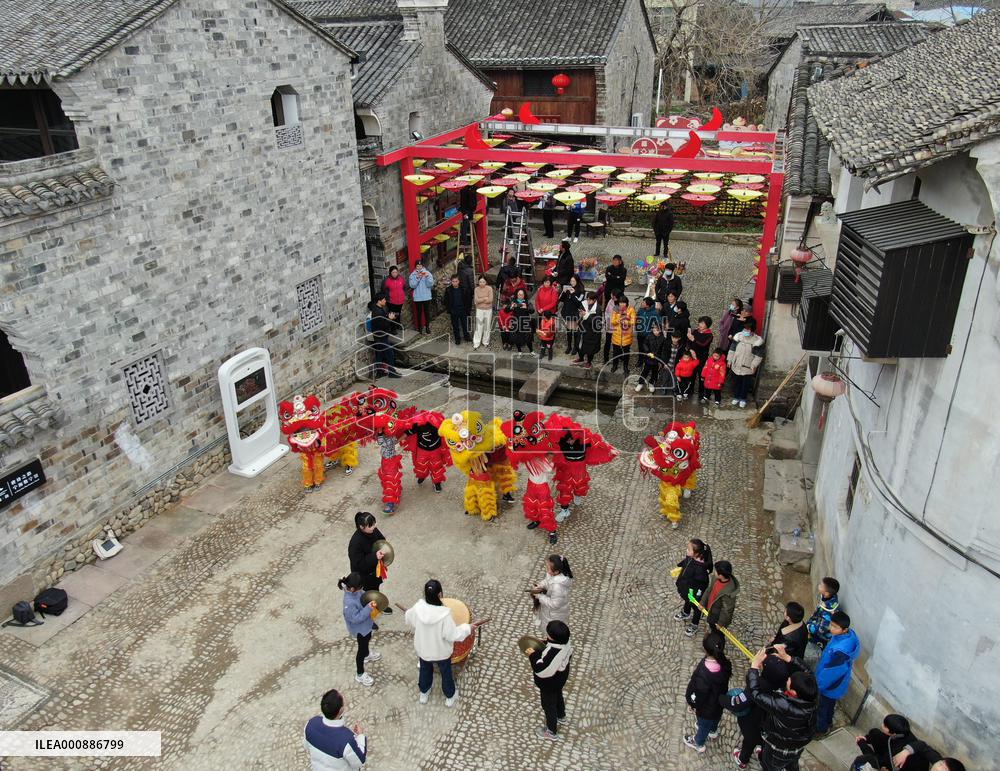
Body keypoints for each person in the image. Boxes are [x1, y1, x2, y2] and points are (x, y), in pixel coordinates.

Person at [405, 579, 480, 707]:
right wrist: (467, 628)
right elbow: (453, 635)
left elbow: (409, 619)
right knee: (446, 674)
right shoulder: (444, 616)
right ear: (440, 595)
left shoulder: (417, 608)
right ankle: (449, 696)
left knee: (424, 670)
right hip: (441, 653)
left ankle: (424, 692)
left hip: (424, 650)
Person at [746, 647, 819, 771]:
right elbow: (808, 673)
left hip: (778, 749)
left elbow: (755, 694)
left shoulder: (784, 705)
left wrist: (754, 667)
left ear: (793, 692)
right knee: (792, 763)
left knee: (770, 766)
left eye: (790, 680)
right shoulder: (813, 695)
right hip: (798, 745)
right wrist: (787, 657)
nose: (788, 679)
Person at [683, 631, 732, 753]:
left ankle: (698, 743)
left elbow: (698, 693)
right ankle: (713, 731)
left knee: (703, 726)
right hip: (718, 704)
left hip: (706, 709)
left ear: (705, 649)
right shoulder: (725, 664)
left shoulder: (703, 674)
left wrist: (692, 704)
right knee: (715, 719)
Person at [813, 610, 861, 735]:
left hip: (830, 684)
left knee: (823, 707)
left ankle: (821, 729)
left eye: (835, 627)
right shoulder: (849, 637)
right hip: (837, 683)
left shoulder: (840, 652)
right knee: (829, 704)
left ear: (844, 629)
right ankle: (828, 721)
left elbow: (831, 673)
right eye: (831, 624)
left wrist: (819, 685)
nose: (831, 628)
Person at [525, 619, 573, 741]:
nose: (546, 636)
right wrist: (544, 642)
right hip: (559, 679)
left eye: (548, 635)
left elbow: (541, 670)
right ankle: (561, 715)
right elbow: (550, 645)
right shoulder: (565, 643)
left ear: (553, 638)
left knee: (548, 705)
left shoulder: (554, 652)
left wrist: (532, 655)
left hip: (549, 683)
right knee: (558, 696)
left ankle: (551, 731)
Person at [303, 688, 367, 770]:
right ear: (341, 709)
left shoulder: (310, 724)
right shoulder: (346, 739)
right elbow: (359, 762)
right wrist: (360, 736)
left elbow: (306, 746)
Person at [338, 572, 379, 687]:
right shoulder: (349, 603)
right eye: (360, 588)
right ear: (352, 589)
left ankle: (367, 654)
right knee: (361, 650)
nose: (361, 589)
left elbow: (363, 594)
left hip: (366, 625)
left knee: (368, 638)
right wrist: (368, 608)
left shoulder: (356, 590)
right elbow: (355, 618)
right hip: (360, 629)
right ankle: (360, 673)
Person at [347, 511, 391, 606]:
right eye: (371, 526)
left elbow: (381, 540)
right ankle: (368, 610)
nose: (374, 527)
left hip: (375, 570)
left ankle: (378, 604)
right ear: (362, 527)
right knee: (367, 593)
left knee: (375, 588)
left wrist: (383, 547)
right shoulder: (355, 543)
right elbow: (358, 563)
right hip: (364, 576)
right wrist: (374, 557)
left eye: (374, 524)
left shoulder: (373, 530)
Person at [852, 714, 923, 771]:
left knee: (865, 760)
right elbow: (883, 737)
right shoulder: (904, 732)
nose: (882, 725)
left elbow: (875, 760)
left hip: (904, 766)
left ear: (894, 734)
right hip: (893, 756)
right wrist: (865, 739)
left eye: (885, 726)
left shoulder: (895, 752)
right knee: (874, 733)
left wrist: (861, 743)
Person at [674, 538, 713, 636]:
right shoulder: (690, 558)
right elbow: (686, 563)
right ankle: (686, 612)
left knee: (696, 608)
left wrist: (698, 596)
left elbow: (703, 584)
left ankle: (694, 624)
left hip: (695, 592)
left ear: (696, 554)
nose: (687, 550)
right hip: (688, 587)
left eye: (689, 549)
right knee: (687, 600)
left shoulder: (701, 570)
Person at [530, 554, 573, 632]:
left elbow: (554, 604)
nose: (547, 570)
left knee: (551, 632)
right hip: (550, 613)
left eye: (548, 568)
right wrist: (540, 586)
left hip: (554, 616)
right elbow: (548, 582)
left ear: (556, 571)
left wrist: (540, 596)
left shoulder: (558, 587)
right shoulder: (553, 575)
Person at [727, 317, 763, 408]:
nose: (746, 330)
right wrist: (729, 360)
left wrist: (754, 365)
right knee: (736, 382)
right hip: (736, 364)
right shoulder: (738, 337)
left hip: (747, 366)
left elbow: (758, 356)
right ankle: (736, 396)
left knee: (745, 384)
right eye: (745, 328)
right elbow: (732, 349)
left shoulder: (757, 341)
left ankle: (743, 398)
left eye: (748, 329)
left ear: (752, 330)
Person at [700, 560, 739, 634]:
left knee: (718, 634)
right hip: (711, 610)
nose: (714, 572)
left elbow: (727, 610)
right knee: (711, 624)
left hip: (716, 616)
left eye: (716, 571)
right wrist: (702, 602)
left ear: (721, 575)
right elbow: (709, 590)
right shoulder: (715, 578)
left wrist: (721, 623)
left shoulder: (729, 591)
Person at [805, 577, 841, 658]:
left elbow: (822, 629)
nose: (819, 585)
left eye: (821, 585)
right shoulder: (830, 598)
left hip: (822, 637)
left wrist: (809, 627)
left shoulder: (828, 613)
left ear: (827, 593)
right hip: (817, 622)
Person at [369, 293, 400, 379]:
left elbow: (383, 319)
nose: (385, 301)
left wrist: (389, 317)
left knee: (379, 354)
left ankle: (379, 372)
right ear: (379, 301)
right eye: (384, 299)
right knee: (390, 354)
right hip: (381, 337)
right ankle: (392, 373)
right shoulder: (377, 312)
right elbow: (383, 325)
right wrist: (389, 319)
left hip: (378, 336)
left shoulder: (377, 308)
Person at [636, 321, 666, 394]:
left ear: (661, 331)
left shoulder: (663, 339)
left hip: (656, 359)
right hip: (648, 358)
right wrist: (647, 352)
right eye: (654, 329)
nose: (655, 331)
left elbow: (663, 350)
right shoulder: (649, 336)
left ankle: (651, 383)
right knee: (645, 371)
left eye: (657, 330)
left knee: (654, 373)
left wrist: (660, 360)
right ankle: (640, 383)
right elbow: (644, 344)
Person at [574, 292, 602, 369]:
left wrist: (586, 315)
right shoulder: (584, 304)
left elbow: (596, 322)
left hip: (591, 331)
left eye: (590, 300)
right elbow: (578, 312)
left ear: (594, 300)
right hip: (582, 328)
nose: (588, 301)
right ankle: (581, 358)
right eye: (587, 299)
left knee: (590, 347)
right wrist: (579, 315)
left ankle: (589, 361)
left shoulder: (598, 309)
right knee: (579, 344)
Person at [558, 276, 585, 355]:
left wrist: (573, 294)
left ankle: (575, 347)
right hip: (567, 312)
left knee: (575, 331)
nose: (572, 283)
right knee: (569, 331)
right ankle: (569, 346)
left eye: (573, 281)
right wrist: (563, 291)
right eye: (571, 281)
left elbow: (579, 302)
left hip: (575, 313)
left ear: (577, 281)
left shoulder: (581, 290)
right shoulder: (568, 289)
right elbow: (561, 299)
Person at [610, 297, 636, 376]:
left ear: (627, 303)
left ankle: (625, 367)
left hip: (627, 336)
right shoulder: (616, 310)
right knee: (615, 352)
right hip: (616, 335)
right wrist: (618, 319)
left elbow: (633, 321)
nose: (622, 304)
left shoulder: (631, 309)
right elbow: (612, 321)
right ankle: (615, 365)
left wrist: (624, 321)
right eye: (620, 302)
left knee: (626, 353)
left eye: (623, 302)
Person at [443, 275, 471, 345]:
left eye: (456, 281)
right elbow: (446, 301)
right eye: (453, 281)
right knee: (455, 326)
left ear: (459, 281)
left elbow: (468, 300)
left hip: (463, 309)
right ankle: (457, 339)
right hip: (454, 310)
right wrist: (449, 309)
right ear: (451, 282)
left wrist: (467, 309)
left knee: (465, 324)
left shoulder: (464, 289)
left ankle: (466, 336)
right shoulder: (448, 290)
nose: (454, 283)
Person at [408, 260, 434, 334]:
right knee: (419, 313)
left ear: (422, 266)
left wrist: (427, 277)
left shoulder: (427, 273)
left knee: (427, 312)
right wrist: (417, 278)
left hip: (426, 296)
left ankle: (427, 327)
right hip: (418, 297)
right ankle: (419, 328)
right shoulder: (412, 275)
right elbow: (412, 285)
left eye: (420, 266)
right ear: (415, 267)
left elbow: (430, 284)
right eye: (417, 266)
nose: (419, 267)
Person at [663, 328, 686, 395]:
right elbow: (664, 354)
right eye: (673, 338)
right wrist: (664, 363)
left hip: (676, 365)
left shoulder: (681, 346)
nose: (674, 340)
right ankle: (664, 388)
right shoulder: (667, 344)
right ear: (671, 337)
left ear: (679, 338)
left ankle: (674, 389)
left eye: (676, 338)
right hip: (668, 364)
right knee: (666, 377)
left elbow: (682, 355)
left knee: (675, 378)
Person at [472, 276, 493, 349]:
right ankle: (476, 342)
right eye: (480, 282)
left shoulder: (489, 288)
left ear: (486, 282)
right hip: (479, 309)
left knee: (487, 326)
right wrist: (484, 298)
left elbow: (490, 300)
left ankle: (485, 342)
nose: (482, 283)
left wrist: (480, 300)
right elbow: (476, 300)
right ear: (478, 282)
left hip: (488, 309)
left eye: (483, 282)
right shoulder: (476, 289)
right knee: (479, 326)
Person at [512, 288, 534, 353]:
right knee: (517, 338)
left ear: (524, 295)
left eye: (522, 294)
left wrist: (526, 308)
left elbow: (532, 311)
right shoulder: (514, 302)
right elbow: (507, 310)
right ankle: (519, 351)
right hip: (516, 322)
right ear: (517, 295)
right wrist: (511, 307)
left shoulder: (527, 302)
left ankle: (531, 350)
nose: (520, 296)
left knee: (528, 338)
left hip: (525, 322)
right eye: (519, 294)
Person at [602, 290, 620, 363]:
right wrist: (606, 320)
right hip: (609, 325)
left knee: (616, 344)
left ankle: (617, 358)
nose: (611, 295)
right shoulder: (610, 301)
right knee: (607, 343)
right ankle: (606, 359)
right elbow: (606, 311)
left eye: (612, 294)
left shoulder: (620, 304)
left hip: (616, 327)